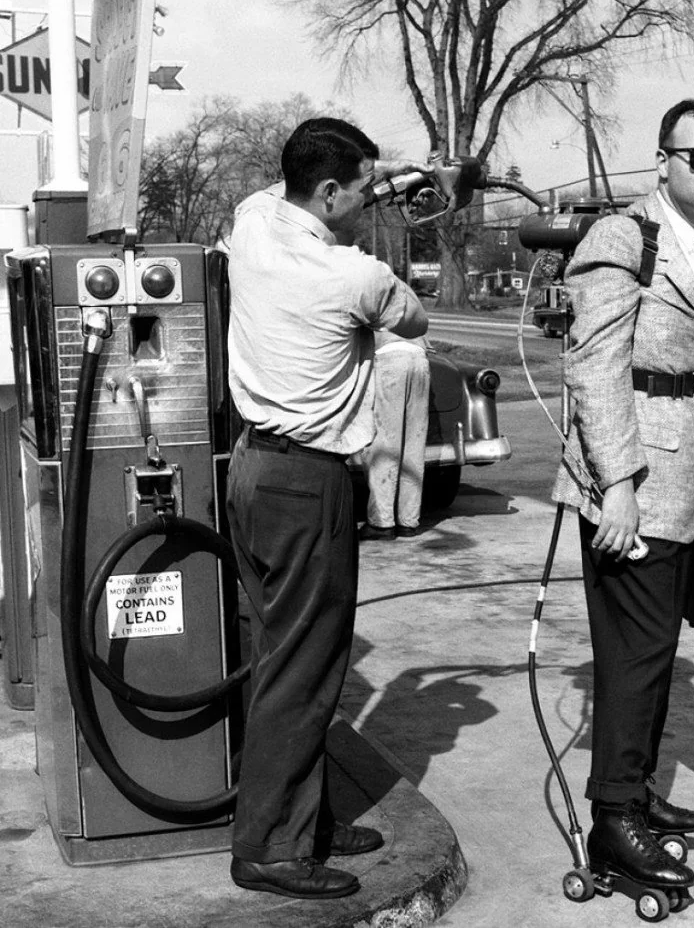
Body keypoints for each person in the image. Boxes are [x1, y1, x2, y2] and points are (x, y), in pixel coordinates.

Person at [225, 117, 430, 899]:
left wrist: (394, 177)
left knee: (281, 653)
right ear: (331, 191)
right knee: (304, 671)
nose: (371, 198)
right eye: (363, 187)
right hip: (309, 484)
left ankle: (300, 818)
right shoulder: (356, 276)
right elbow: (412, 319)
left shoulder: (252, 221)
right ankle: (272, 847)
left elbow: (281, 194)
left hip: (250, 469)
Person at [551, 97, 694, 894]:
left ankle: (636, 793)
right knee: (632, 658)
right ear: (662, 158)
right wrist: (619, 486)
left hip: (683, 477)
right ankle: (611, 822)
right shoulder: (622, 236)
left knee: (658, 650)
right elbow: (595, 365)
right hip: (634, 480)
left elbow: (693, 361)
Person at [358, 328, 431, 540]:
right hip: (419, 357)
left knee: (385, 443)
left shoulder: (376, 295)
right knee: (414, 443)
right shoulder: (408, 296)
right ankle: (408, 521)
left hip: (388, 356)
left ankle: (382, 522)